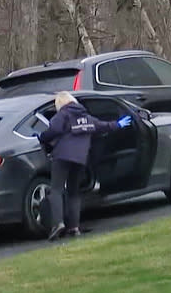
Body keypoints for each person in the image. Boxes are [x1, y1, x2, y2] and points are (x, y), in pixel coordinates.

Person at [37, 91, 132, 241]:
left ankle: (58, 224)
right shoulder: (85, 117)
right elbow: (103, 126)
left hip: (62, 156)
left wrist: (40, 137)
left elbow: (53, 131)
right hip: (80, 158)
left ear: (60, 104)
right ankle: (74, 227)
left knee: (56, 189)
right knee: (74, 192)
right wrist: (118, 124)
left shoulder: (63, 115)